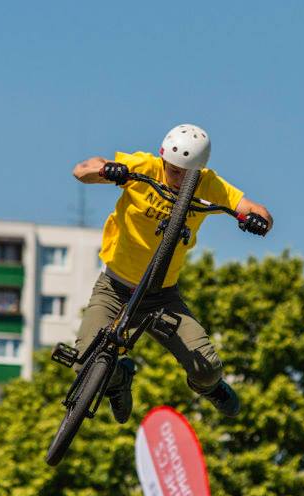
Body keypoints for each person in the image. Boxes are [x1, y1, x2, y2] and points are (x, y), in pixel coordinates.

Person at [71, 124, 273, 423]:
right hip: (114, 288)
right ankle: (118, 380)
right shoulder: (144, 168)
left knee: (208, 369)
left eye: (186, 174)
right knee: (83, 363)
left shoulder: (209, 185)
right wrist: (106, 171)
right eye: (173, 170)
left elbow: (257, 210)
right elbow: (82, 170)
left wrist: (257, 220)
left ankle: (210, 386)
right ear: (163, 159)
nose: (178, 179)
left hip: (161, 299)